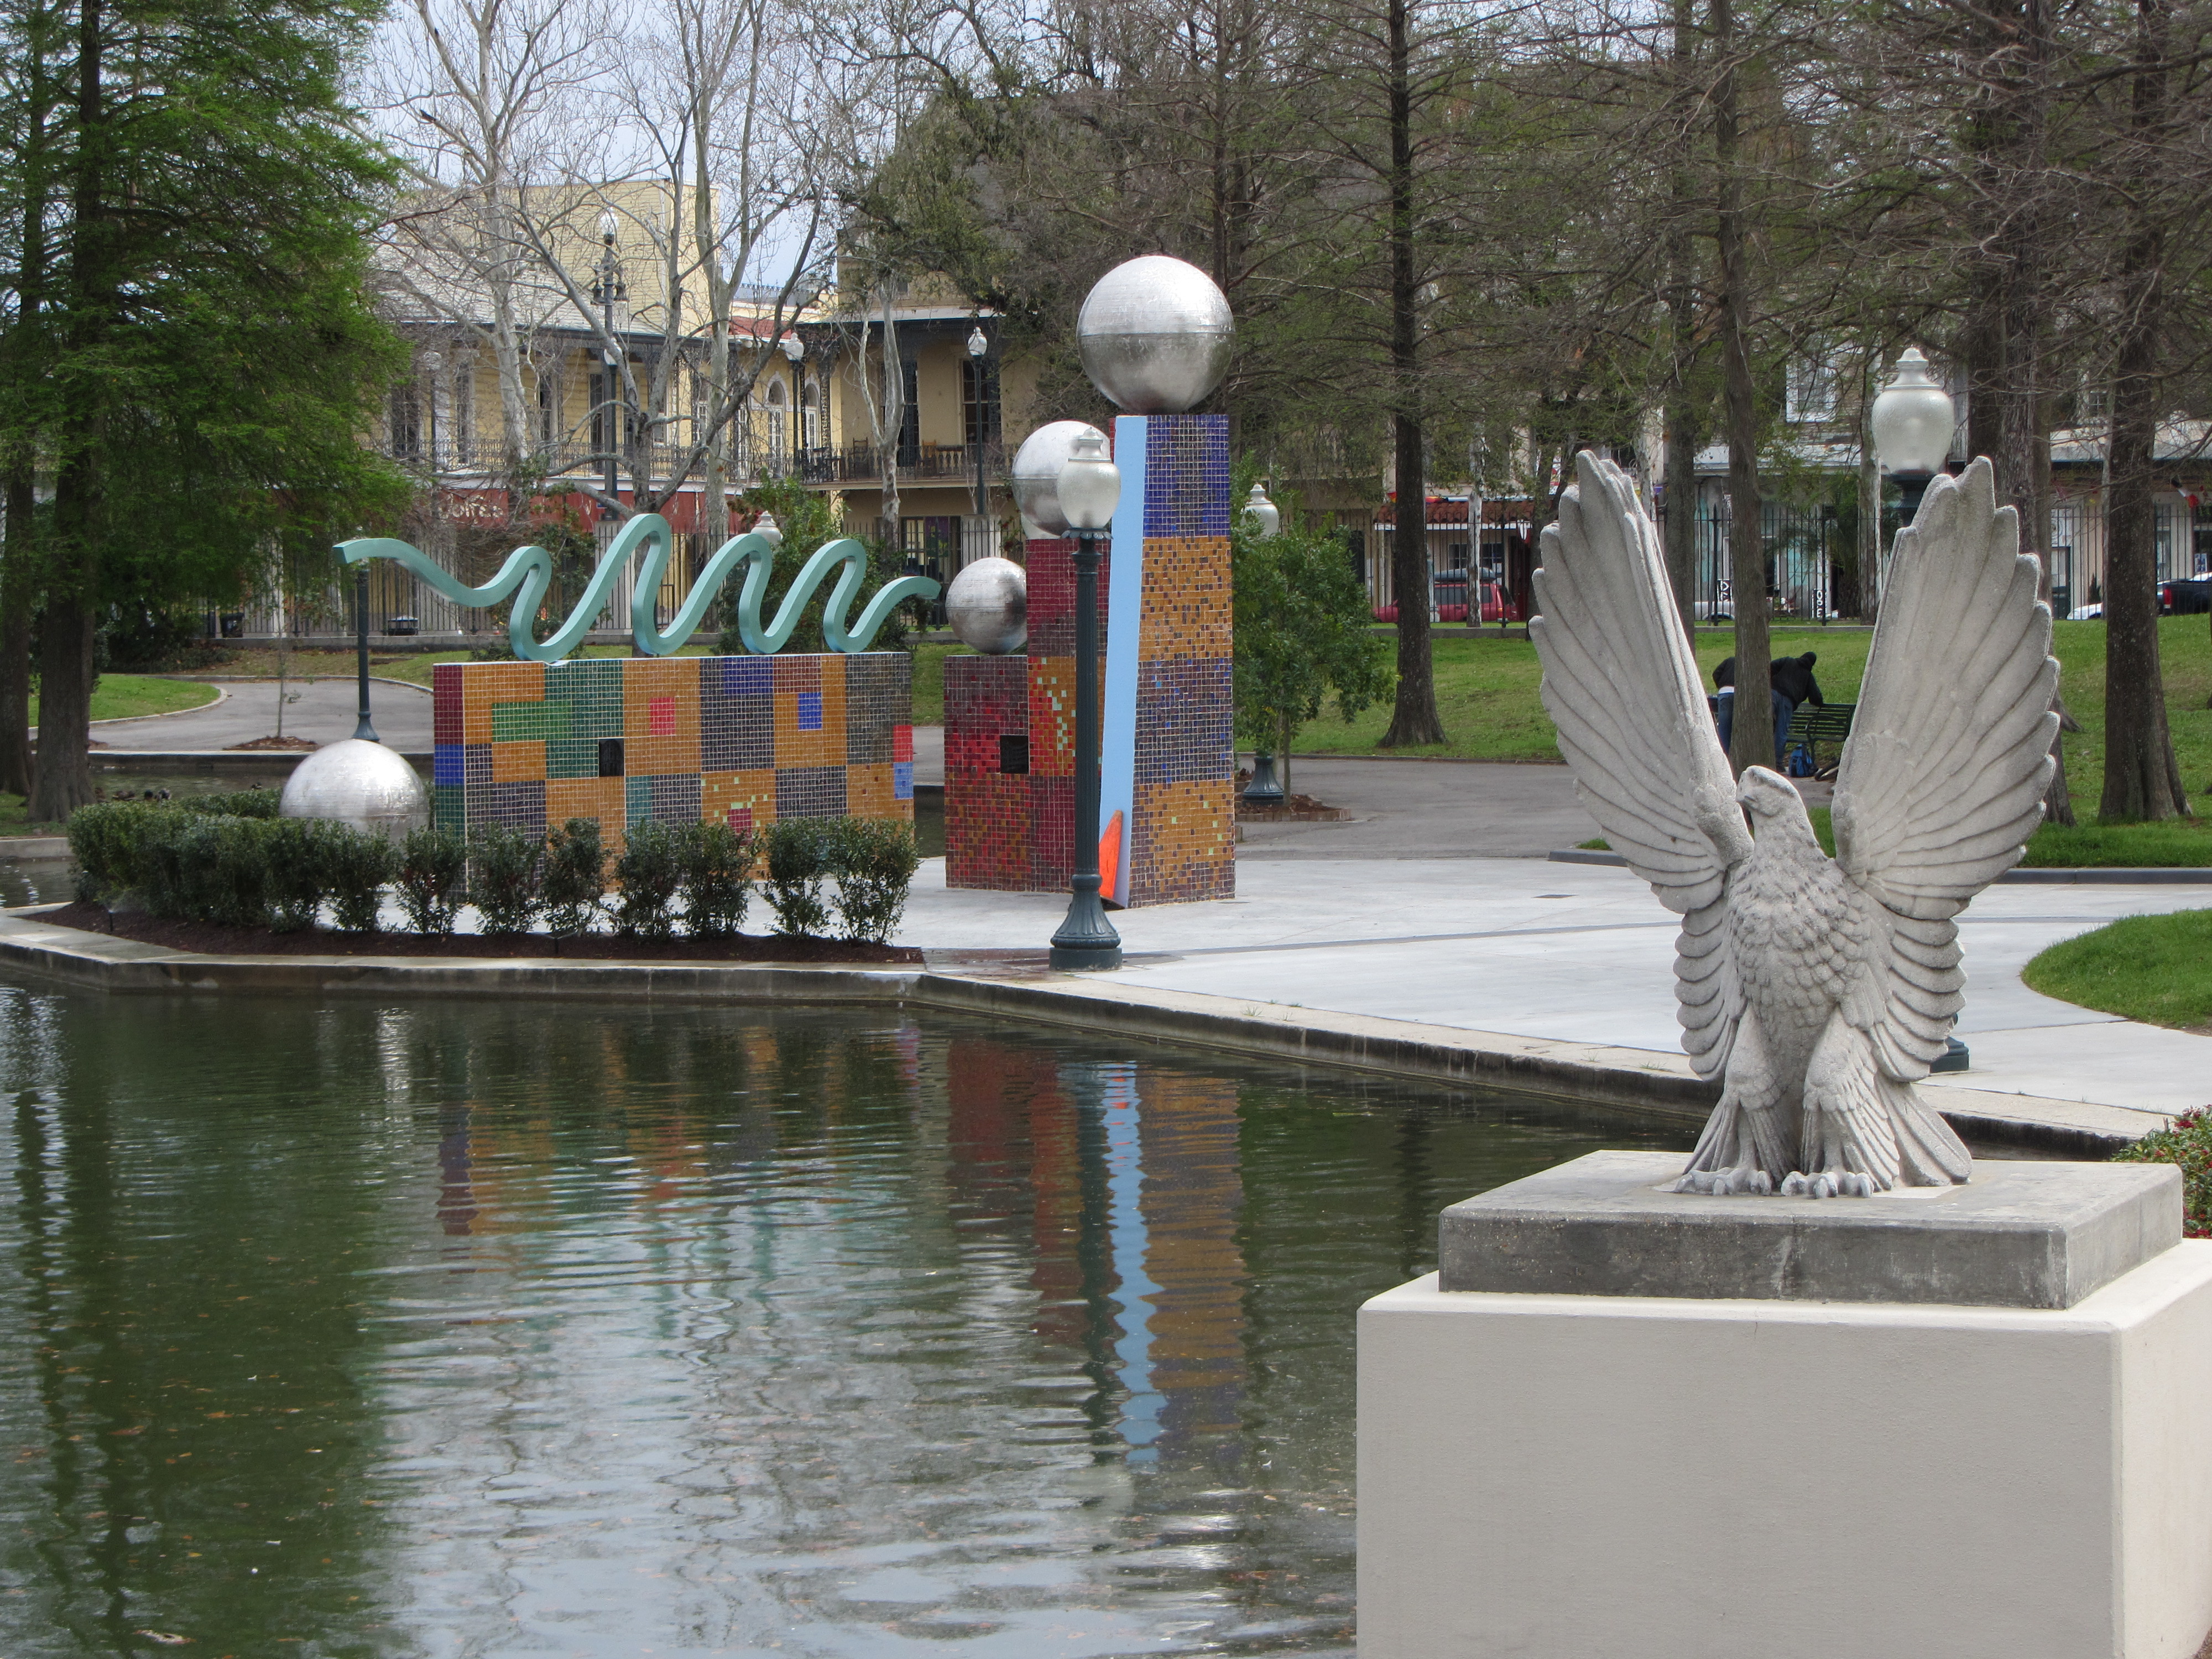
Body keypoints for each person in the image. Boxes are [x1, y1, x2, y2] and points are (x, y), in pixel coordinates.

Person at [1712, 651, 1822, 764]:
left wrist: (1771, 682)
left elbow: (1769, 668)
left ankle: (1733, 759)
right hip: (1788, 702)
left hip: (1772, 695)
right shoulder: (1808, 676)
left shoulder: (1788, 661)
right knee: (1781, 732)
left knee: (1759, 725)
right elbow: (1816, 698)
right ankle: (1776, 763)